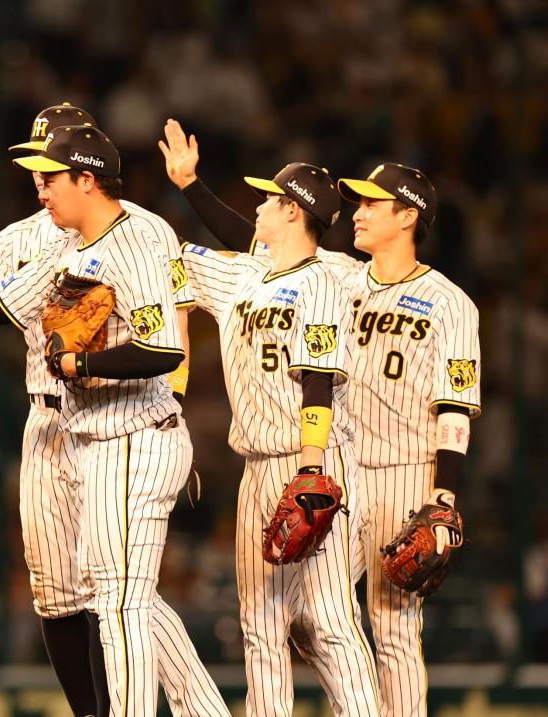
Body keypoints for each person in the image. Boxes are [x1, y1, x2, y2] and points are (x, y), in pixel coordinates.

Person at [0, 125, 228, 717]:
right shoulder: (71, 248)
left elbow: (164, 350)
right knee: (122, 597)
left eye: (51, 178)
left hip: (137, 433)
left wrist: (85, 360)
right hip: (85, 434)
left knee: (120, 604)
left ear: (86, 178)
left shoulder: (140, 239)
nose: (39, 187)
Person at [161, 119, 481, 716]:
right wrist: (192, 187)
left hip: (404, 470)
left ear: (407, 216)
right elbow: (258, 252)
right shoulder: (338, 273)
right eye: (355, 201)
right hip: (341, 455)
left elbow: (456, 404)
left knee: (386, 626)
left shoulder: (450, 303)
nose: (358, 209)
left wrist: (444, 495)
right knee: (303, 619)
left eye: (373, 202)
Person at [178, 161, 380, 716]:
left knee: (329, 618)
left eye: (269, 199)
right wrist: (186, 184)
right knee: (259, 622)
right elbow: (168, 258)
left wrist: (312, 468)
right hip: (257, 466)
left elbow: (318, 379)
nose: (259, 207)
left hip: (314, 458)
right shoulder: (244, 274)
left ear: (293, 210)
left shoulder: (323, 283)